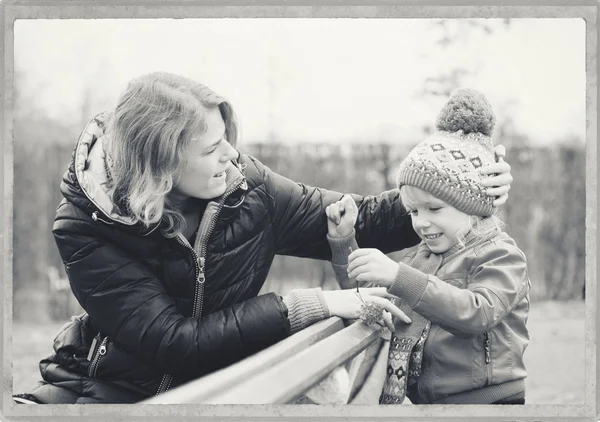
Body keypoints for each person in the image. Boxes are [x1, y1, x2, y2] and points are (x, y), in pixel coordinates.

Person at [13, 73, 513, 404]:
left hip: (220, 388)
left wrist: (463, 187)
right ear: (161, 165)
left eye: (227, 135)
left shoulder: (250, 190)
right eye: (212, 148)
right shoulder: (85, 228)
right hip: (104, 392)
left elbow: (361, 218)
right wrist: (313, 303)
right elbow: (175, 342)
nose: (232, 153)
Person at [324, 89, 530, 405]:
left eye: (434, 209)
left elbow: (476, 313)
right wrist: (343, 243)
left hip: (486, 402)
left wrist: (399, 276)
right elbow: (371, 300)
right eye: (414, 212)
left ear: (472, 204)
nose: (421, 223)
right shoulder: (424, 256)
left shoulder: (501, 254)